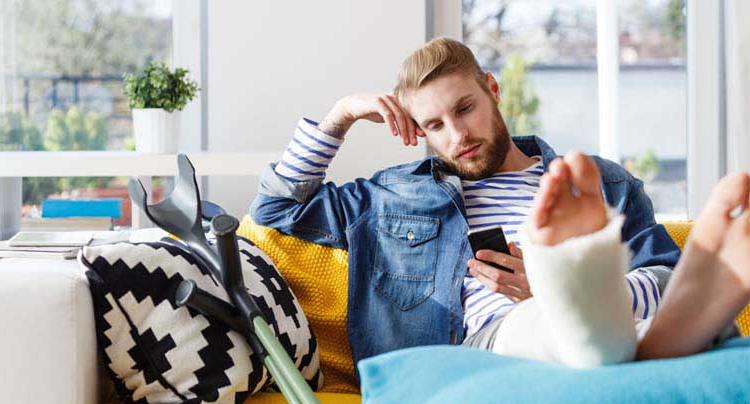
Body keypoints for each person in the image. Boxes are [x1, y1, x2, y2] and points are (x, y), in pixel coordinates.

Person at [250, 37, 681, 371]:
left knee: (665, 336)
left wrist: (559, 289)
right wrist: (339, 116)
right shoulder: (392, 197)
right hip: (476, 358)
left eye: (465, 108)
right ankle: (591, 323)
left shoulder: (600, 182)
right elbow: (277, 209)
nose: (458, 136)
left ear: (492, 89)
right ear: (419, 131)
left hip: (602, 339)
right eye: (435, 125)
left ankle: (599, 323)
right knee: (552, 328)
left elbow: (667, 281)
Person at [507, 151, 749, 365]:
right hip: (496, 330)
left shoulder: (605, 180)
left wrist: (581, 288)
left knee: (619, 316)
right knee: (531, 325)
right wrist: (556, 291)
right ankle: (652, 338)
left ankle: (599, 317)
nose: (466, 136)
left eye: (467, 108)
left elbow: (658, 266)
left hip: (628, 314)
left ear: (495, 96)